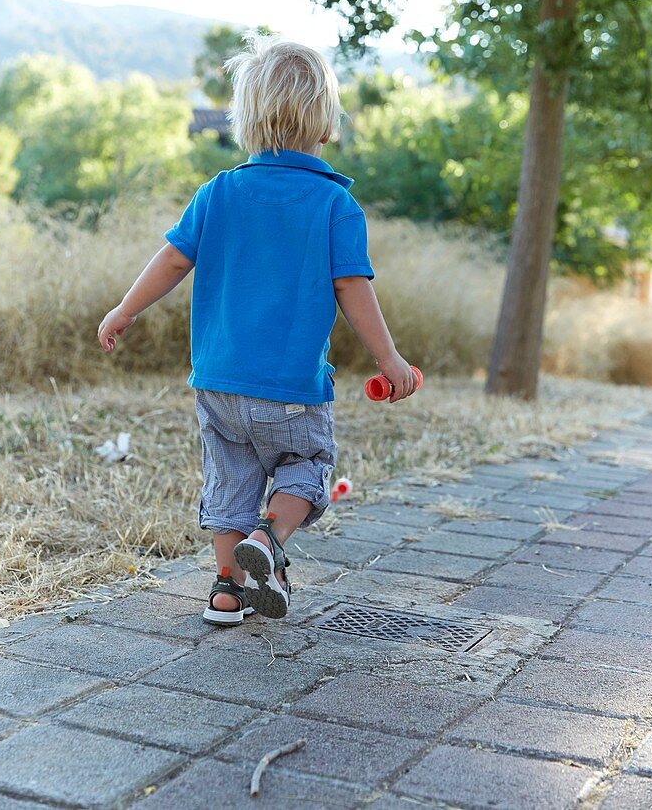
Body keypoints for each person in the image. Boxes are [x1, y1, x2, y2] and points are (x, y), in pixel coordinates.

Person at [97, 34, 417, 625]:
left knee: (230, 489)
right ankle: (269, 542)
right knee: (309, 467)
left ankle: (226, 591)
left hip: (218, 383)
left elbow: (172, 259)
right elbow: (352, 288)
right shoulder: (334, 204)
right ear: (326, 126)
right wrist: (388, 358)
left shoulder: (218, 192)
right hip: (291, 389)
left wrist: (125, 309)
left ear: (244, 121)